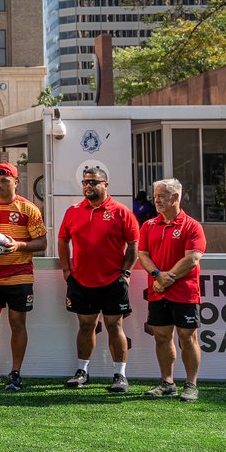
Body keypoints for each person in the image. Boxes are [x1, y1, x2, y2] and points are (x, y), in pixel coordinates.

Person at [57, 166, 138, 393]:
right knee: (86, 325)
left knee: (115, 326)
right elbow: (63, 241)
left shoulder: (121, 212)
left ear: (105, 185)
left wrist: (126, 273)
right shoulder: (73, 211)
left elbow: (133, 245)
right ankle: (82, 371)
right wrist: (66, 270)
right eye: (85, 182)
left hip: (113, 281)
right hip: (81, 281)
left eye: (93, 182)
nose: (88, 186)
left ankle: (120, 375)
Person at [0, 162, 47, 391]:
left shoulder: (28, 208)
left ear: (16, 182)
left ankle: (15, 373)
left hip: (19, 275)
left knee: (17, 323)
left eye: (4, 180)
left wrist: (19, 246)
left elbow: (42, 242)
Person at [137, 177, 206, 403]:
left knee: (187, 337)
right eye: (155, 196)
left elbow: (193, 258)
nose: (155, 200)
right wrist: (158, 276)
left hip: (185, 292)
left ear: (175, 197)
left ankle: (191, 385)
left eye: (160, 196)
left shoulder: (192, 226)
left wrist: (168, 277)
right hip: (158, 289)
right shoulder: (148, 225)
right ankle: (167, 383)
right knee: (162, 337)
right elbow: (143, 255)